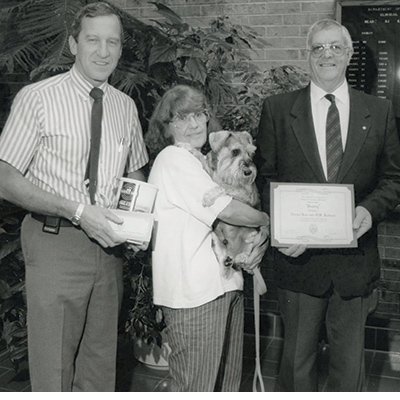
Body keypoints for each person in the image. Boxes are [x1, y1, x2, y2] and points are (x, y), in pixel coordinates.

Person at [0, 2, 148, 392]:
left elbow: (134, 176)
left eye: (112, 42)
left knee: (100, 367)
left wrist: (137, 228)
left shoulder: (125, 107)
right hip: (55, 243)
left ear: (120, 48)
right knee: (54, 369)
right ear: (73, 44)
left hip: (109, 251)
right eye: (93, 40)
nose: (103, 51)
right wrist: (79, 211)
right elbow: (5, 178)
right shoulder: (37, 98)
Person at [256, 19, 400, 391]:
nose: (327, 55)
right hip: (299, 261)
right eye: (318, 48)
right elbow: (265, 178)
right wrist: (285, 227)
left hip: (355, 265)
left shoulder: (379, 112)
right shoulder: (277, 109)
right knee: (295, 366)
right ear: (308, 56)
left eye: (335, 47)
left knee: (349, 369)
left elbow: (393, 179)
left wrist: (368, 211)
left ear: (350, 54)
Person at [146, 85, 269, 391]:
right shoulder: (174, 158)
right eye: (182, 118)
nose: (195, 124)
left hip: (225, 285)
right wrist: (266, 220)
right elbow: (227, 209)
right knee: (196, 386)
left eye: (199, 114)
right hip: (194, 294)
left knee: (226, 385)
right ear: (166, 126)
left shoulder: (203, 161)